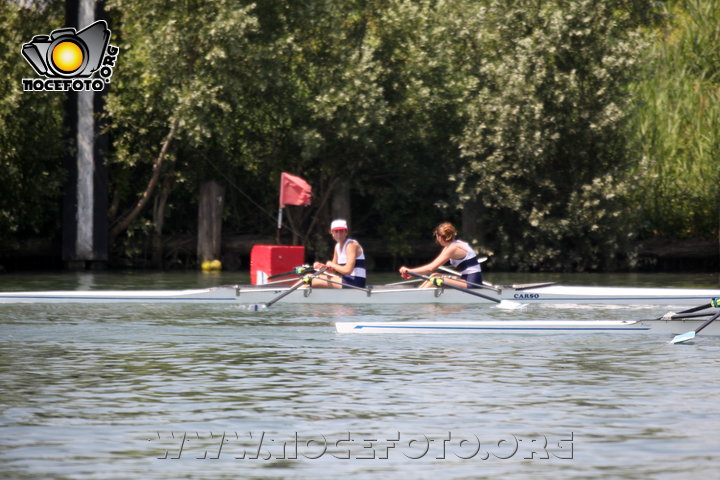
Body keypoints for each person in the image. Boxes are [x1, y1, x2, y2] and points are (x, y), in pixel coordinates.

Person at [398, 222, 483, 289]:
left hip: (472, 283)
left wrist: (410, 271)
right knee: (434, 275)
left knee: (435, 280)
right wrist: (412, 273)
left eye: (436, 236)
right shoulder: (452, 245)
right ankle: (418, 293)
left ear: (439, 237)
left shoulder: (453, 248)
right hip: (466, 279)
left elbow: (430, 268)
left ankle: (417, 297)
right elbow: (432, 267)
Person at [311, 219, 367, 289]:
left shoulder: (351, 245)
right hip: (347, 280)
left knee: (311, 280)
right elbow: (332, 271)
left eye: (341, 231)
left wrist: (331, 264)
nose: (339, 234)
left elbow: (347, 270)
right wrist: (322, 267)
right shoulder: (337, 246)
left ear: (346, 232)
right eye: (336, 231)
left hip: (356, 282)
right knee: (309, 276)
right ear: (331, 233)